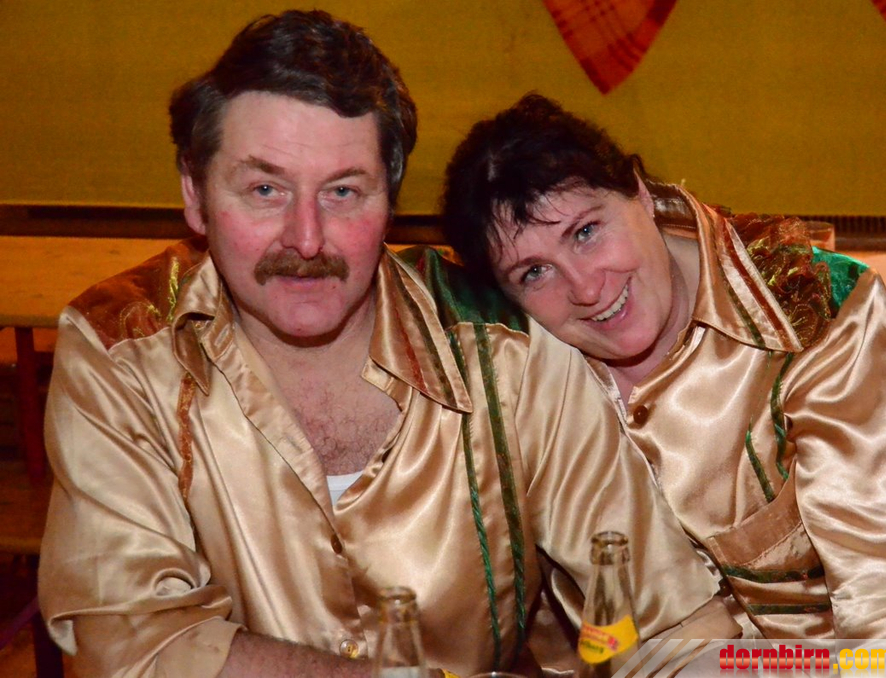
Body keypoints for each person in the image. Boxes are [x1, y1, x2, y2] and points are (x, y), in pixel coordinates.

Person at [37, 13, 740, 678]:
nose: (306, 239)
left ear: (391, 205)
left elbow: (668, 620)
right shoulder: (122, 354)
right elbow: (130, 642)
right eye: (265, 189)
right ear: (194, 194)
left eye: (343, 193)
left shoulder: (506, 352)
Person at [440, 93, 886, 639]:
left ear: (641, 194)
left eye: (586, 232)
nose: (585, 288)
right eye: (534, 272)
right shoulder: (514, 373)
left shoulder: (819, 317)